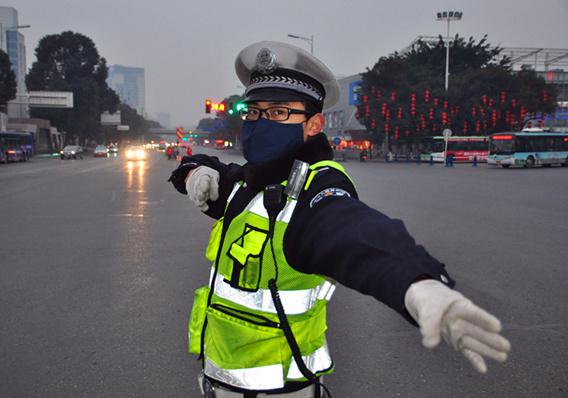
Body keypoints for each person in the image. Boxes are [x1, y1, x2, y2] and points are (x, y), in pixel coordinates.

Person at [169, 41, 510, 398]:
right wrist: (194, 171)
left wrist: (416, 282)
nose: (260, 122)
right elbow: (213, 172)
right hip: (219, 381)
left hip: (282, 391)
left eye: (279, 112)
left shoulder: (315, 188)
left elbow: (348, 229)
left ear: (314, 124)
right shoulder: (248, 183)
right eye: (252, 111)